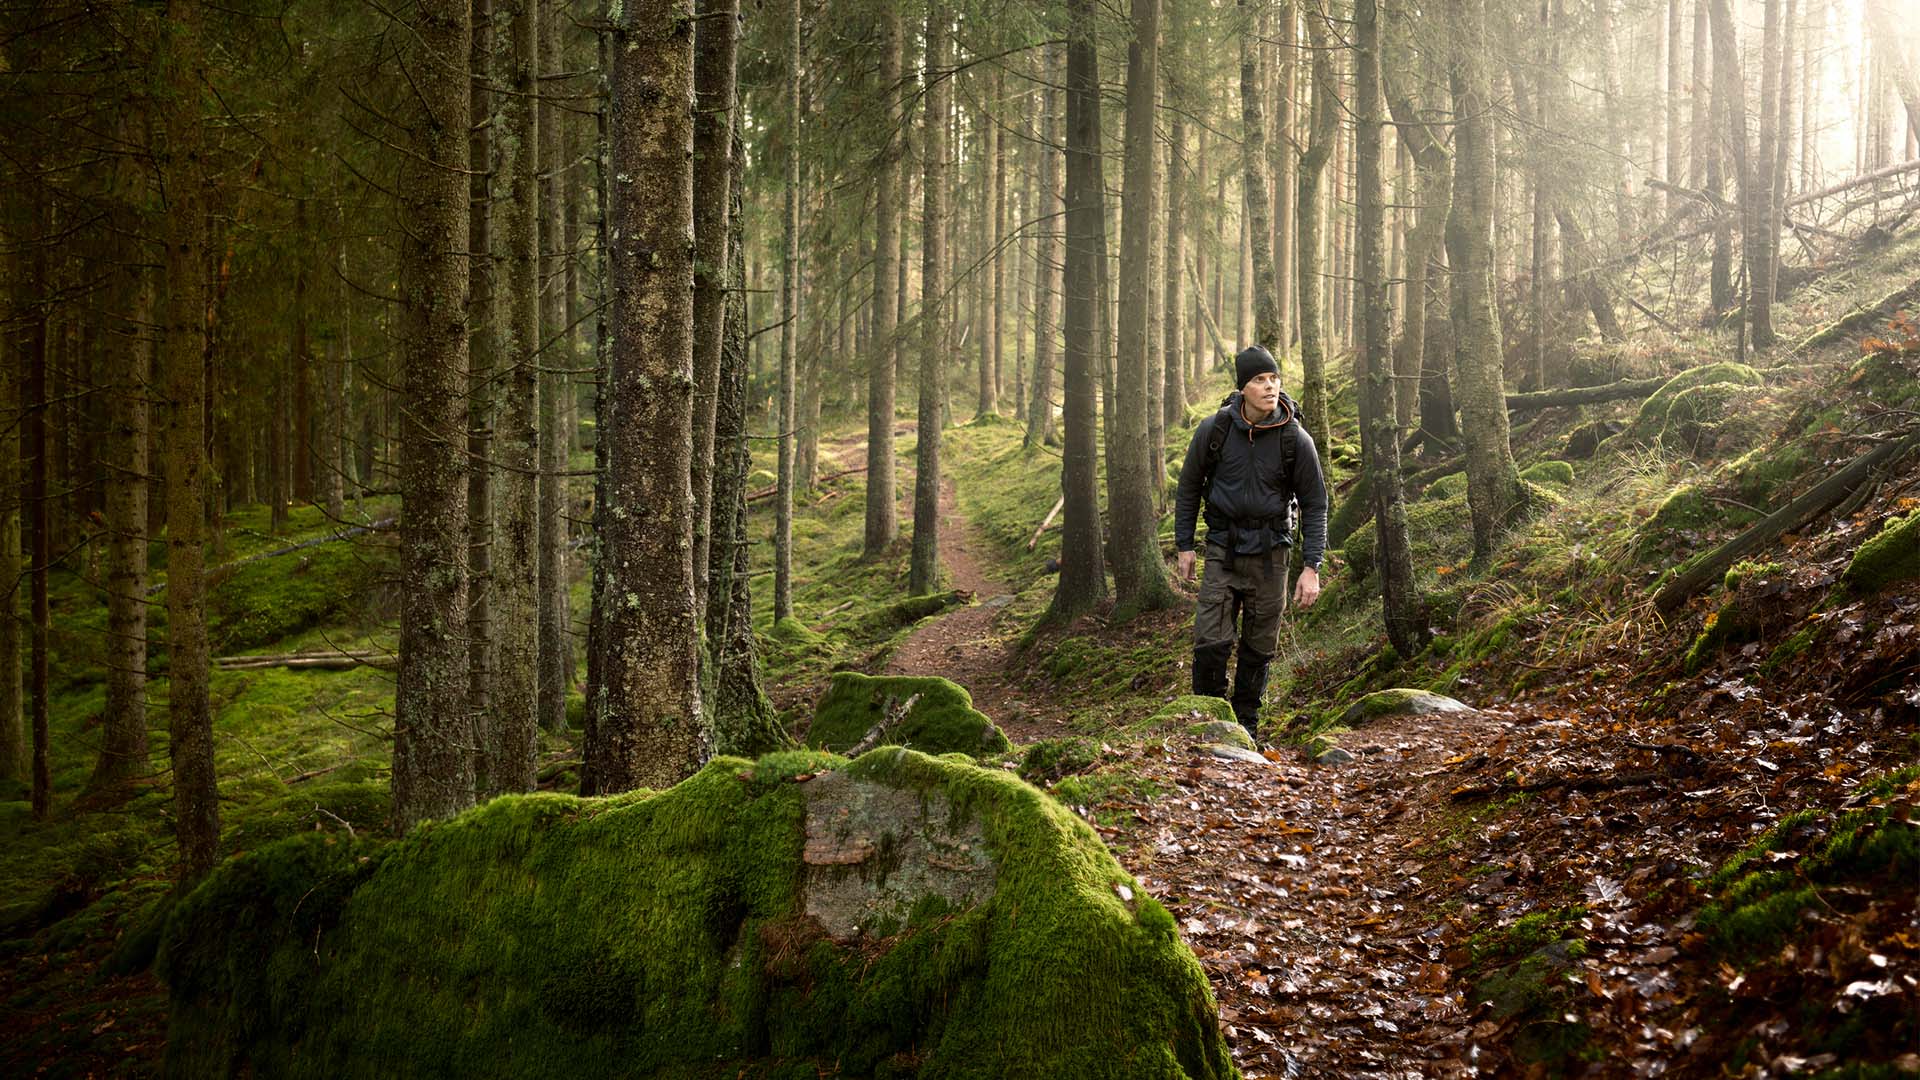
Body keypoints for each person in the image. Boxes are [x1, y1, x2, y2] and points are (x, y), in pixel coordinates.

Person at [1172, 345, 1329, 745]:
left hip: (1272, 553)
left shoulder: (1296, 438)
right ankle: (1208, 723)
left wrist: (1312, 567)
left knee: (1259, 646)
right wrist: (1185, 545)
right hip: (1223, 547)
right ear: (1243, 387)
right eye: (1260, 380)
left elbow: (1315, 503)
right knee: (1210, 640)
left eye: (1274, 378)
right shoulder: (1215, 430)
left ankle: (1246, 730)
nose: (1270, 386)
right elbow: (1189, 486)